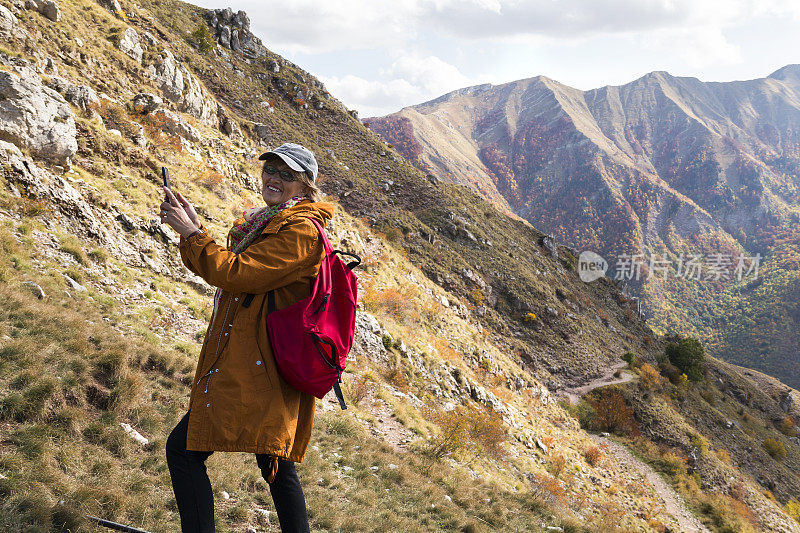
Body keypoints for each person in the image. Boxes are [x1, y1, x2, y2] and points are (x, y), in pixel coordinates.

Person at [158, 142, 334, 533]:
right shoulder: (268, 221)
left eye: (287, 175)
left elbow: (237, 274)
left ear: (305, 186)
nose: (274, 178)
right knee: (274, 463)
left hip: (262, 367)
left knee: (184, 451)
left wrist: (191, 234)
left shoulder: (301, 231)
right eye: (270, 169)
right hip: (260, 362)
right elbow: (235, 275)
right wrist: (195, 231)